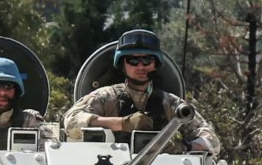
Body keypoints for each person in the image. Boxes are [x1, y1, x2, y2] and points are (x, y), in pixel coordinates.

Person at [61, 28, 220, 156]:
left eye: (147, 60)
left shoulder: (170, 103)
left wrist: (181, 147)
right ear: (123, 65)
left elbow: (212, 141)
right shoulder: (106, 97)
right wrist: (122, 123)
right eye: (133, 61)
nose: (140, 67)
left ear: (155, 64)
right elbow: (70, 121)